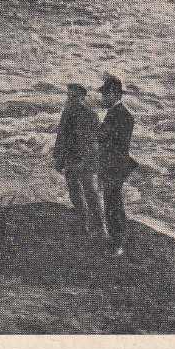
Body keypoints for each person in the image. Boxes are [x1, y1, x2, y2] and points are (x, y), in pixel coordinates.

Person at [52, 83, 103, 235]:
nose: (70, 99)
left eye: (74, 96)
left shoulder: (90, 115)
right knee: (74, 190)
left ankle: (99, 227)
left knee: (90, 192)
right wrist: (58, 158)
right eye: (68, 96)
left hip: (86, 158)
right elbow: (61, 136)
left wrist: (84, 161)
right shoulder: (67, 112)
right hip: (71, 157)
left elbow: (94, 141)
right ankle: (83, 223)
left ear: (82, 98)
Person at [97, 74, 137, 257]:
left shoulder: (119, 115)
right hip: (114, 165)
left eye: (105, 94)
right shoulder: (118, 114)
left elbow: (103, 137)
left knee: (113, 203)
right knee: (113, 201)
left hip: (114, 166)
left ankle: (118, 243)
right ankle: (117, 239)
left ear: (113, 93)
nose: (103, 98)